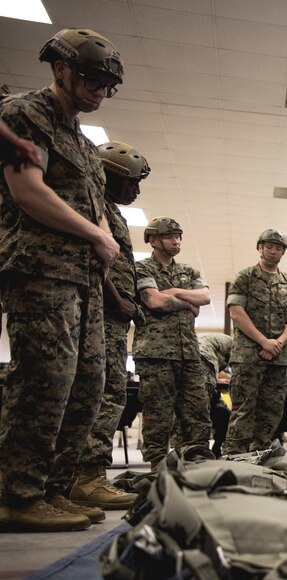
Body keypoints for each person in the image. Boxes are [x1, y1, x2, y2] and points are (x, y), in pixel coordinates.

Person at [0, 29, 125, 532]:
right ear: (61, 69)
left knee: (88, 384)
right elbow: (27, 191)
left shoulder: (85, 145)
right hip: (39, 269)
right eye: (93, 80)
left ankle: (53, 488)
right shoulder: (21, 115)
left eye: (107, 86)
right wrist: (96, 235)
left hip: (82, 278)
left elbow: (92, 209)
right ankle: (17, 494)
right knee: (44, 379)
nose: (99, 92)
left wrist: (101, 241)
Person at [70, 142, 148, 512]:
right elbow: (91, 258)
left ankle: (80, 477)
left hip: (111, 316)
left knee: (106, 391)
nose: (136, 191)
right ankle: (87, 478)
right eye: (132, 183)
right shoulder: (94, 205)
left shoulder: (110, 210)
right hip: (101, 310)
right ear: (110, 177)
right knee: (105, 393)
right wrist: (117, 300)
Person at [132, 217, 212, 471]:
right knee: (158, 413)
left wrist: (174, 292)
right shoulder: (142, 268)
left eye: (178, 236)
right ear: (153, 240)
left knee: (198, 412)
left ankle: (197, 463)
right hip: (155, 353)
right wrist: (189, 303)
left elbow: (205, 297)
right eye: (169, 237)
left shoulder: (189, 271)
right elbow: (155, 302)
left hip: (189, 353)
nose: (176, 241)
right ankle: (157, 465)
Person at [223, 229, 287, 454]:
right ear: (260, 248)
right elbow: (236, 313)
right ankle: (235, 456)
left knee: (271, 412)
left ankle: (262, 456)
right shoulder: (245, 277)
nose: (273, 251)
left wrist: (278, 343)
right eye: (269, 247)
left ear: (283, 252)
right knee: (243, 409)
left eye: (278, 248)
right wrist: (264, 341)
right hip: (248, 356)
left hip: (278, 359)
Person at [196, 332, 232, 457]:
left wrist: (216, 379)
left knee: (222, 413)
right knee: (203, 412)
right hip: (203, 355)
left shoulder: (219, 346)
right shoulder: (235, 348)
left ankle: (213, 448)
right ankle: (201, 451)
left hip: (192, 354)